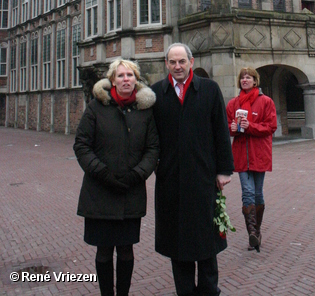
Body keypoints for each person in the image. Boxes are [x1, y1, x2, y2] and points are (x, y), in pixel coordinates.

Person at [151, 43, 234, 296]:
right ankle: (184, 291)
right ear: (166, 63)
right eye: (172, 62)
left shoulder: (209, 89)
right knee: (177, 241)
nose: (177, 66)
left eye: (182, 62)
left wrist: (224, 170)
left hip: (203, 176)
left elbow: (221, 130)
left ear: (191, 62)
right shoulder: (156, 93)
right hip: (171, 179)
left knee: (206, 239)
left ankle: (209, 290)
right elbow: (150, 136)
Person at [73, 59, 159, 296]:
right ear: (112, 80)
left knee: (126, 251)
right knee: (103, 252)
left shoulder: (145, 111)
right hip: (99, 191)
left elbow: (153, 149)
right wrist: (101, 172)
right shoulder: (95, 107)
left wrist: (137, 174)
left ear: (136, 79)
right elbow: (81, 145)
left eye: (130, 75)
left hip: (130, 192)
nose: (125, 80)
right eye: (120, 76)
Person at [226, 67, 277, 252]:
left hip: (259, 154)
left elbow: (271, 126)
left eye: (249, 78)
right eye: (242, 78)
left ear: (255, 81)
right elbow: (228, 127)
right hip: (241, 154)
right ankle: (252, 234)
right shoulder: (233, 104)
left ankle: (257, 231)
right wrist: (233, 127)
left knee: (257, 193)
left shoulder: (266, 102)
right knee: (247, 192)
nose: (245, 80)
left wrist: (251, 126)